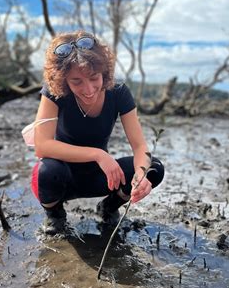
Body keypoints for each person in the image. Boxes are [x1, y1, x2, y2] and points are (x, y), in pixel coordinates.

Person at [30, 30, 164, 235]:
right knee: (45, 171)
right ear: (64, 80)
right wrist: (98, 154)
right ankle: (55, 216)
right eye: (76, 82)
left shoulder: (119, 93)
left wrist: (141, 174)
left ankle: (108, 208)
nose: (88, 89)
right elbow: (42, 145)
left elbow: (139, 146)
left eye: (94, 78)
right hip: (64, 177)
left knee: (154, 168)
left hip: (101, 177)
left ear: (104, 72)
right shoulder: (54, 92)